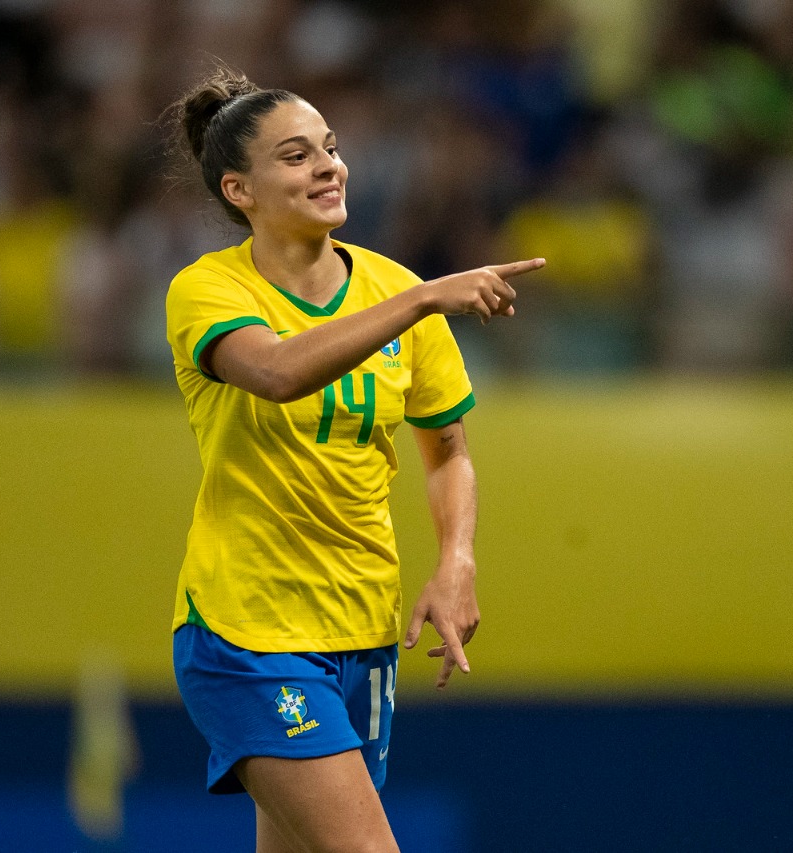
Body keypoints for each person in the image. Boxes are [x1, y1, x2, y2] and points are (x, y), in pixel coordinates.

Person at [162, 65, 544, 853]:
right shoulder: (208, 290)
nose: (330, 166)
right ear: (240, 190)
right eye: (296, 156)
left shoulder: (395, 286)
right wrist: (422, 299)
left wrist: (456, 560)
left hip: (360, 626)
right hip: (248, 631)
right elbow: (274, 372)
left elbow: (446, 450)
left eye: (331, 148)